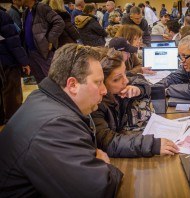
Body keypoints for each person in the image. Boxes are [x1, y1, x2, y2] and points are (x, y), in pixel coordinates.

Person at [0, 43, 123, 196]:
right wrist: (103, 164)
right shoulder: (55, 125)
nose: (104, 90)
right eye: (98, 82)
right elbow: (98, 189)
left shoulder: (44, 99)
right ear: (72, 85)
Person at [91, 48, 179, 157]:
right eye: (117, 79)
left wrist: (138, 89)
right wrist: (151, 145)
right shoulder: (94, 106)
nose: (126, 81)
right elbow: (107, 142)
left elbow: (140, 79)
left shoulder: (118, 88)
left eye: (124, 73)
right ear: (101, 82)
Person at [22, 0, 64, 83]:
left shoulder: (42, 7)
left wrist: (50, 40)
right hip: (31, 53)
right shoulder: (26, 12)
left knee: (53, 81)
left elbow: (59, 22)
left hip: (43, 52)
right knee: (41, 82)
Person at [0, 10, 30, 125]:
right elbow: (13, 41)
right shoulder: (2, 15)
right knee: (12, 91)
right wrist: (24, 62)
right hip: (7, 61)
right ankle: (15, 122)